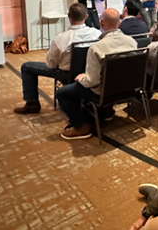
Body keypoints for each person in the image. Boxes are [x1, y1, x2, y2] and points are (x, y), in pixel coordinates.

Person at [54, 9, 137, 140]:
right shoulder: (132, 42)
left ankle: (81, 126)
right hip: (126, 89)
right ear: (120, 23)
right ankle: (106, 112)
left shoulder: (96, 48)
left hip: (102, 92)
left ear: (101, 24)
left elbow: (91, 82)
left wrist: (82, 78)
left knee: (62, 93)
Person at [14, 3, 101, 115]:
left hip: (66, 74)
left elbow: (51, 64)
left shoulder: (61, 38)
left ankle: (32, 103)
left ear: (69, 17)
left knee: (26, 66)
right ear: (86, 16)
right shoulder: (97, 34)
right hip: (89, 73)